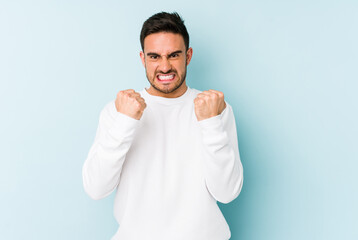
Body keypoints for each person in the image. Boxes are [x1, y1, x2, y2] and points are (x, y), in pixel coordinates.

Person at [82, 11, 243, 240]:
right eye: (155, 56)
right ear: (143, 58)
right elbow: (96, 188)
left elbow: (227, 192)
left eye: (174, 55)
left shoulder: (215, 108)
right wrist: (125, 122)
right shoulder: (118, 110)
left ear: (188, 56)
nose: (165, 67)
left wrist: (210, 123)